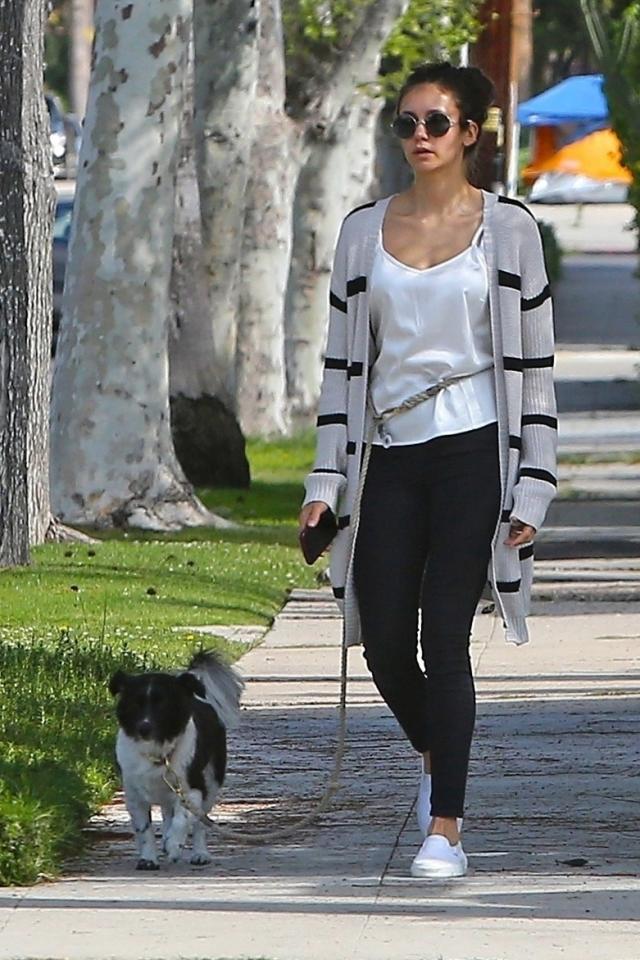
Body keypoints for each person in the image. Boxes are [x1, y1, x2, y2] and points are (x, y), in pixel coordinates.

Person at [299, 61, 557, 879]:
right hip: (390, 457)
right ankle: (437, 754)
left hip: (477, 449)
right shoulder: (361, 231)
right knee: (380, 642)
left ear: (470, 134)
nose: (419, 136)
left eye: (436, 123)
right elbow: (342, 367)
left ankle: (445, 825)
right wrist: (322, 485)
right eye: (406, 123)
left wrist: (536, 484)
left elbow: (537, 366)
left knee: (444, 638)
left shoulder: (509, 230)